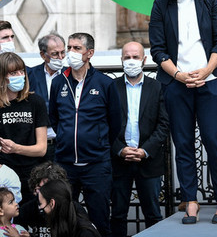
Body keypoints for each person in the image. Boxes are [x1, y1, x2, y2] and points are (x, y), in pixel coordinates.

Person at [149, 0, 217, 224]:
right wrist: (181, 75)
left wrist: (206, 72)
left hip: (210, 82)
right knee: (182, 143)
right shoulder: (161, 6)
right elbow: (158, 49)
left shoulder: (209, 0)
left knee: (214, 140)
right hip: (176, 84)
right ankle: (191, 201)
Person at [49, 33, 121, 236]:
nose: (70, 52)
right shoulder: (58, 82)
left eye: (76, 48)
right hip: (65, 165)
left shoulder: (105, 83)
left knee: (99, 220)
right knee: (63, 220)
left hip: (96, 165)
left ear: (89, 53)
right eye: (69, 47)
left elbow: (115, 122)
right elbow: (54, 117)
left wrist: (97, 141)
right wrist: (66, 137)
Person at [110, 42, 168, 237]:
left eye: (135, 57)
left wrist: (145, 150)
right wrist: (120, 149)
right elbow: (104, 124)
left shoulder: (157, 87)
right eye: (127, 57)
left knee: (153, 214)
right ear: (121, 60)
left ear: (144, 60)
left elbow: (164, 124)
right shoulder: (112, 87)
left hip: (149, 161)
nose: (131, 61)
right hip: (119, 161)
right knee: (117, 214)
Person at [0, 53, 48, 201]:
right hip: (0, 175)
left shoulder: (35, 102)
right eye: (13, 73)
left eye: (21, 71)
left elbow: (41, 149)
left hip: (31, 174)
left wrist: (16, 148)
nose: (19, 76)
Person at [27, 33, 66, 161]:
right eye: (55, 54)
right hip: (37, 144)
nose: (60, 57)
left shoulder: (70, 75)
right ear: (43, 55)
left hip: (64, 143)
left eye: (63, 53)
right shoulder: (30, 75)